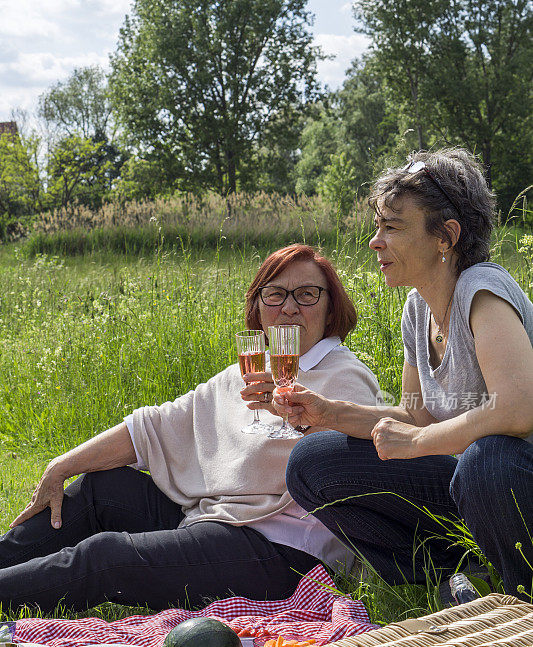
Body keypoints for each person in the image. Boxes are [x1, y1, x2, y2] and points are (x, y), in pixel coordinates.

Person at [0, 244, 379, 613]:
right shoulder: (246, 373)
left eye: (308, 294)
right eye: (275, 294)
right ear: (258, 307)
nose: (290, 306)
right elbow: (155, 426)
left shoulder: (346, 379)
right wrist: (62, 465)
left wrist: (294, 417)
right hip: (216, 521)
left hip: (282, 553)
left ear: (331, 307)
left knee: (107, 556)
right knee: (102, 488)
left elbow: (342, 467)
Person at [284, 149, 533, 596]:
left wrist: (419, 443)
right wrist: (327, 412)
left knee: (486, 458)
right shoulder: (418, 308)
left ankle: (519, 596)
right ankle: (449, 577)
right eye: (377, 226)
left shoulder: (484, 292)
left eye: (392, 227)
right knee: (311, 461)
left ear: (446, 236)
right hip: (469, 484)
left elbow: (518, 409)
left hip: (510, 479)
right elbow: (417, 417)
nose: (375, 241)